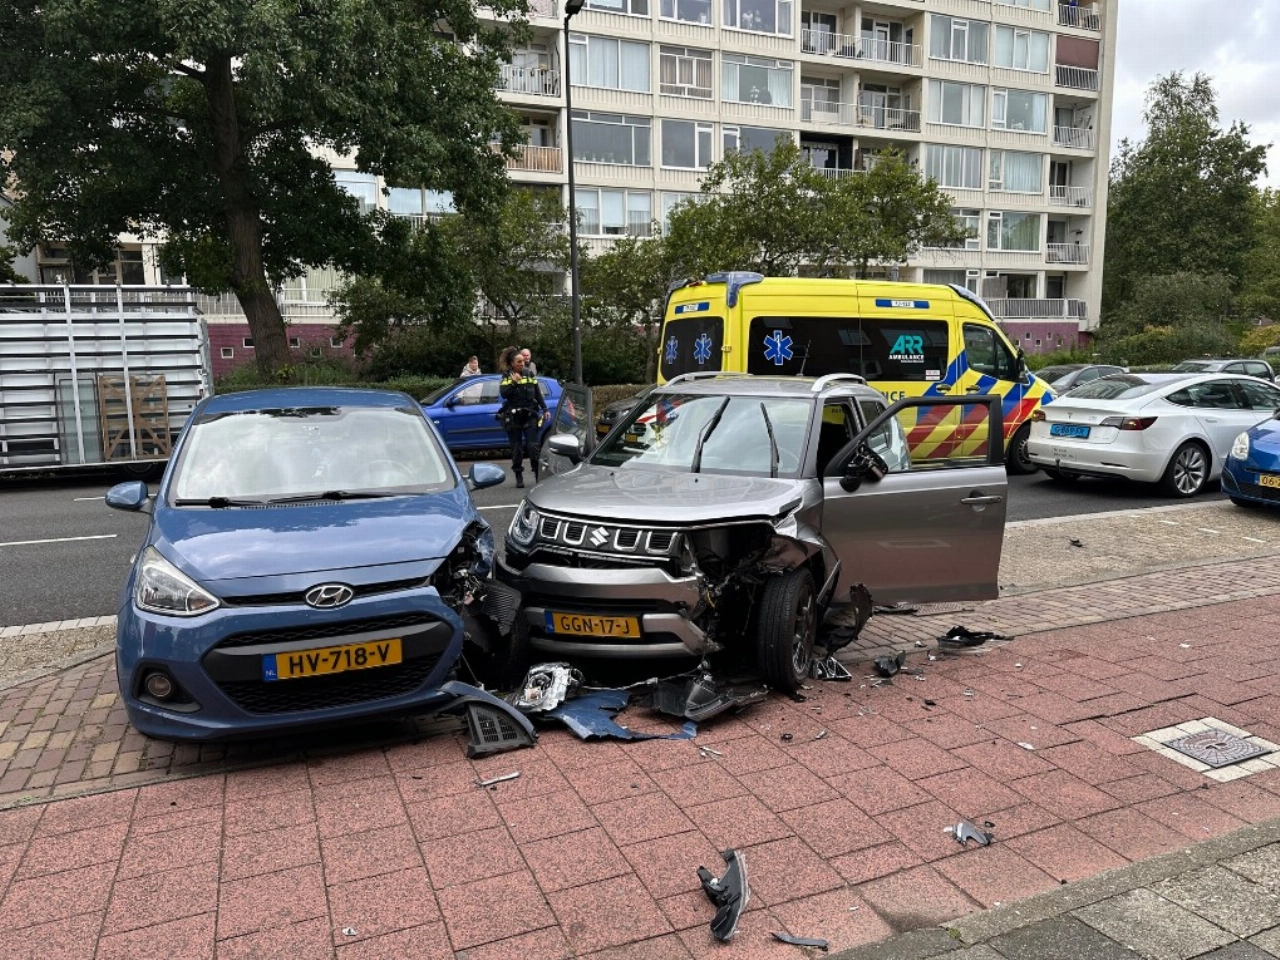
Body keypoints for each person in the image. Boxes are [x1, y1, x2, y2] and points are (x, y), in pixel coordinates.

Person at [498, 346, 548, 488]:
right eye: (519, 361)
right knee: (517, 449)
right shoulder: (506, 376)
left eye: (523, 361)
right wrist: (513, 382)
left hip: (529, 415)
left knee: (533, 447)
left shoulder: (529, 374)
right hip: (513, 417)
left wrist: (544, 408)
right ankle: (519, 476)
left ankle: (537, 475)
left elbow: (537, 393)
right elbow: (503, 394)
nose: (522, 363)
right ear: (512, 363)